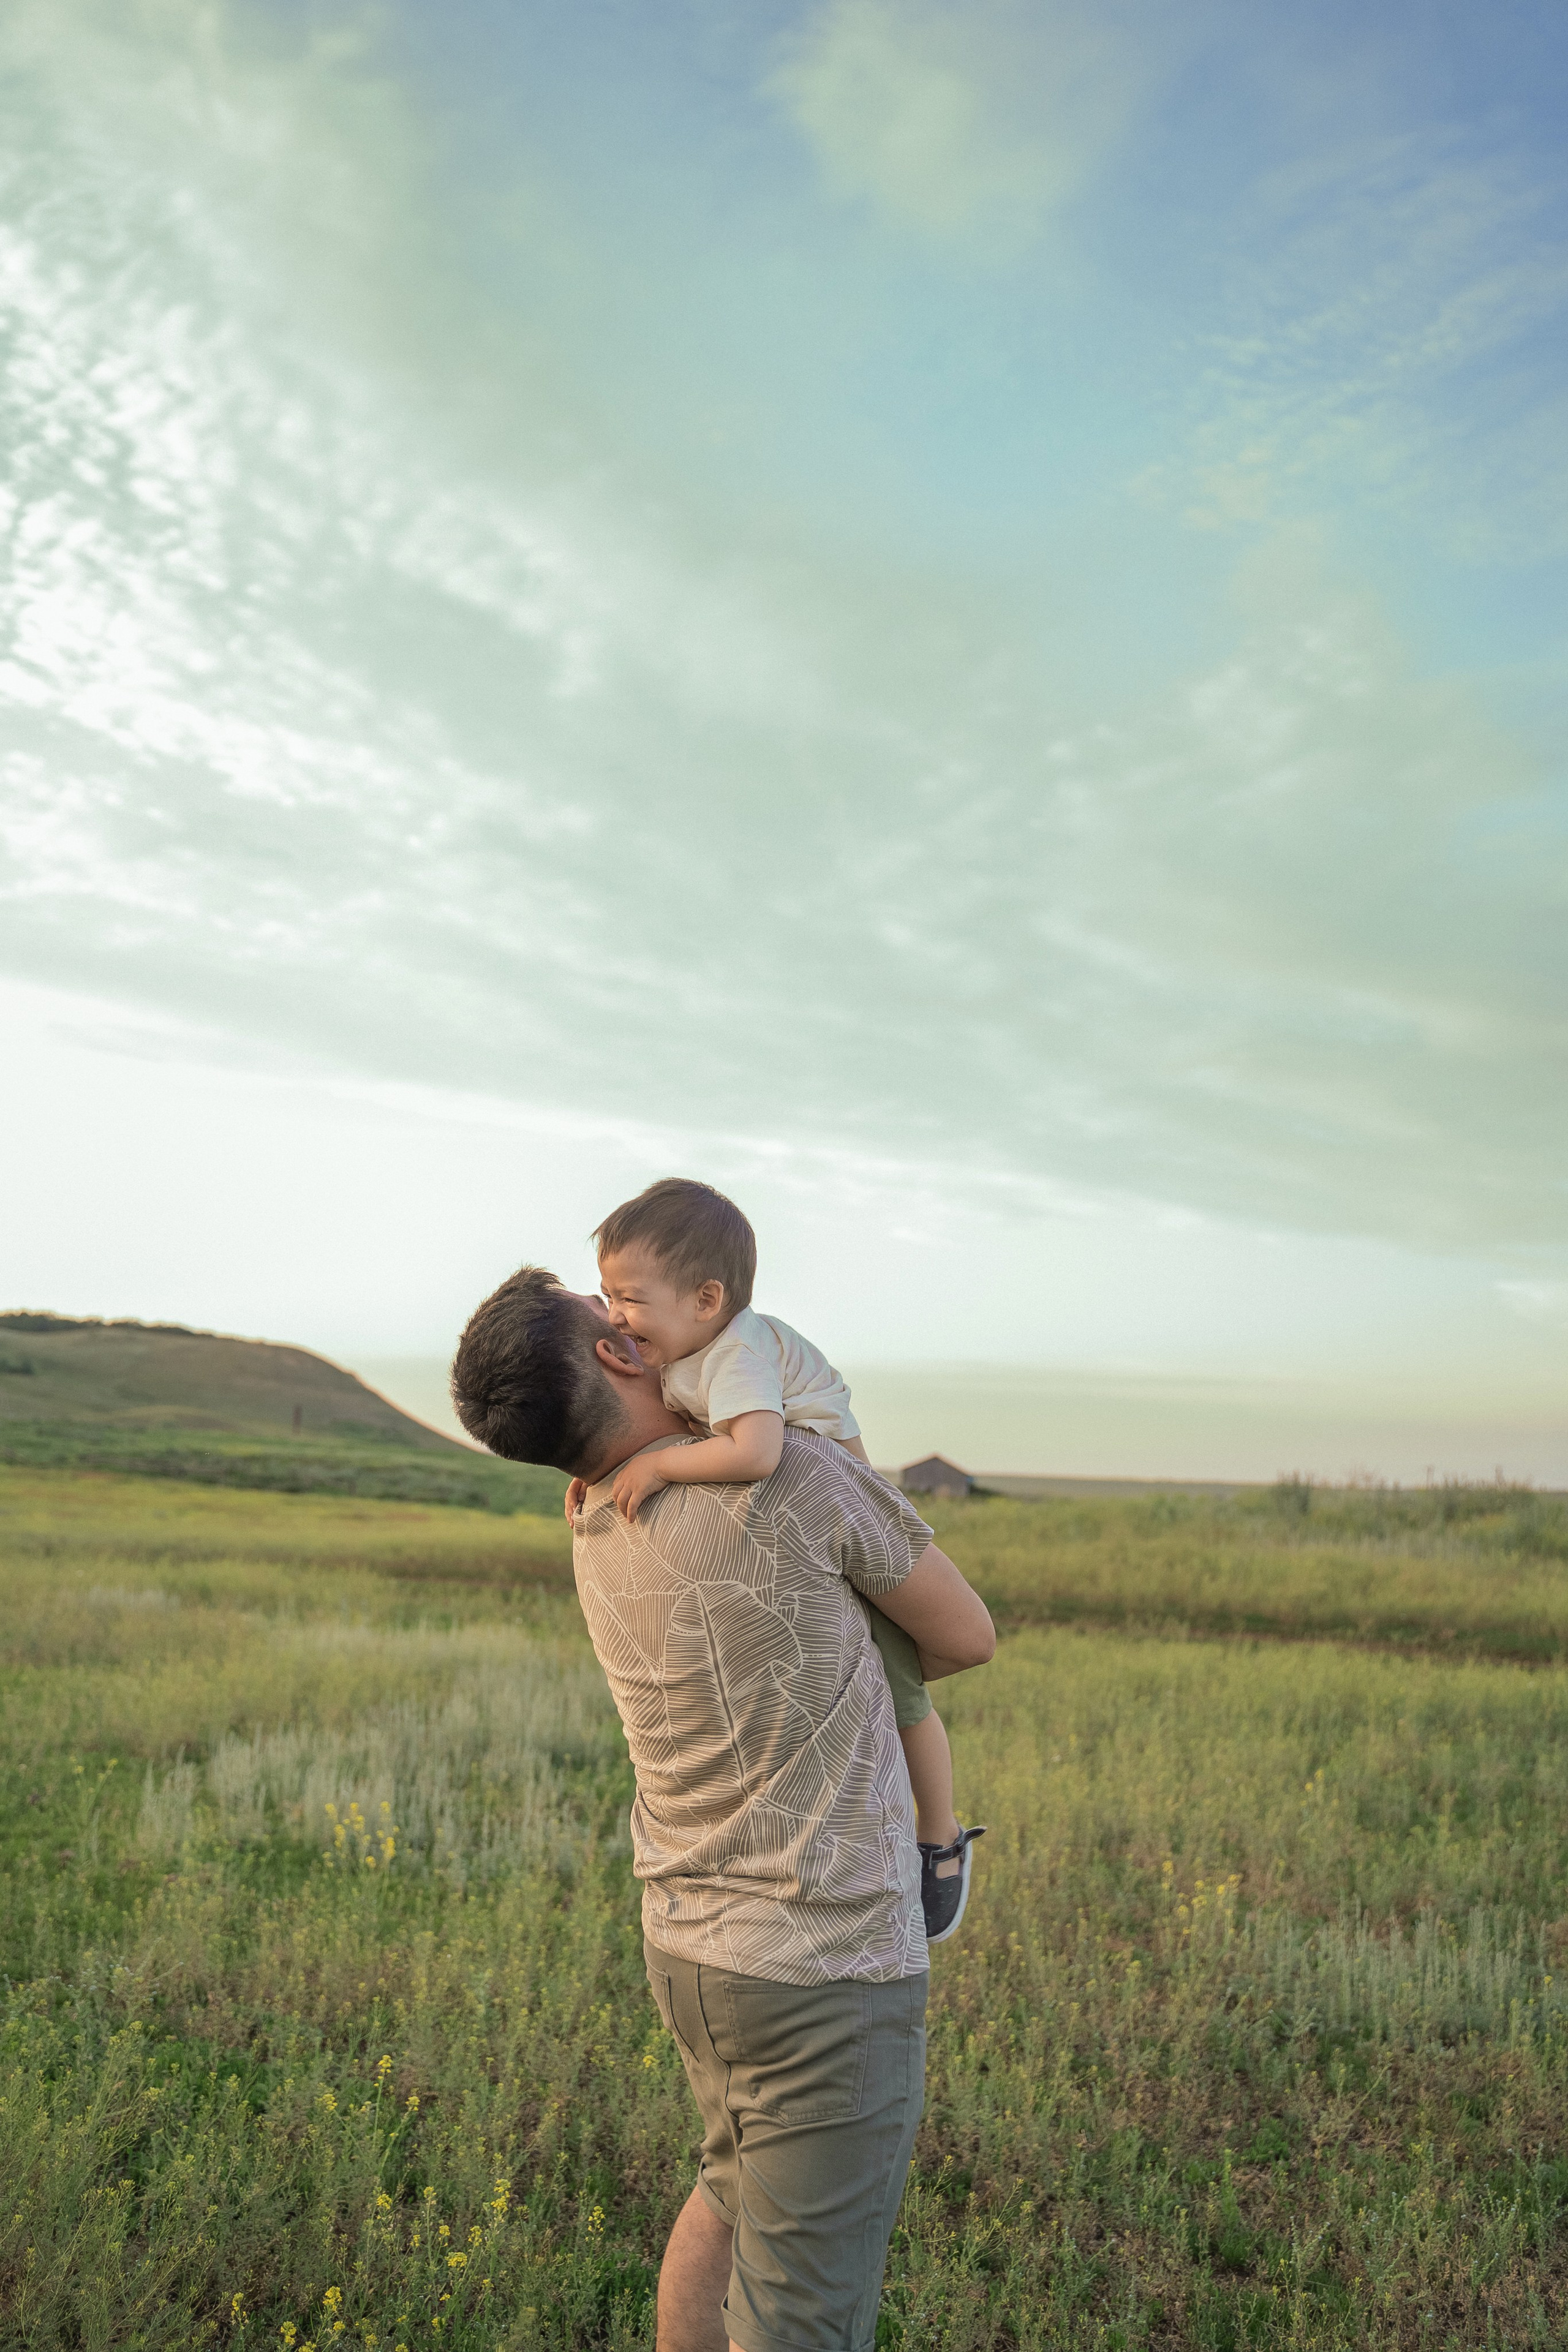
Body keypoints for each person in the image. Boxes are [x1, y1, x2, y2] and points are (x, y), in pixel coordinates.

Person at [451, 1264, 995, 2352]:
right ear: (616, 1353)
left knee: (733, 2188)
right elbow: (966, 1637)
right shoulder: (787, 1476)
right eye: (610, 1310)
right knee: (803, 2315)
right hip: (823, 1963)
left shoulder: (595, 1511)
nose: (631, 1314)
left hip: (691, 1944)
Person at [563, 1177, 984, 1943]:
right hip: (815, 1529)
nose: (616, 1316)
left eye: (629, 1297)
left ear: (706, 1299)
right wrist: (597, 1469)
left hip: (844, 1509)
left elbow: (756, 1453)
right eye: (607, 1295)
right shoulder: (685, 1348)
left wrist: (658, 1466)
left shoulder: (737, 1355)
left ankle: (938, 1835)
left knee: (901, 1697)